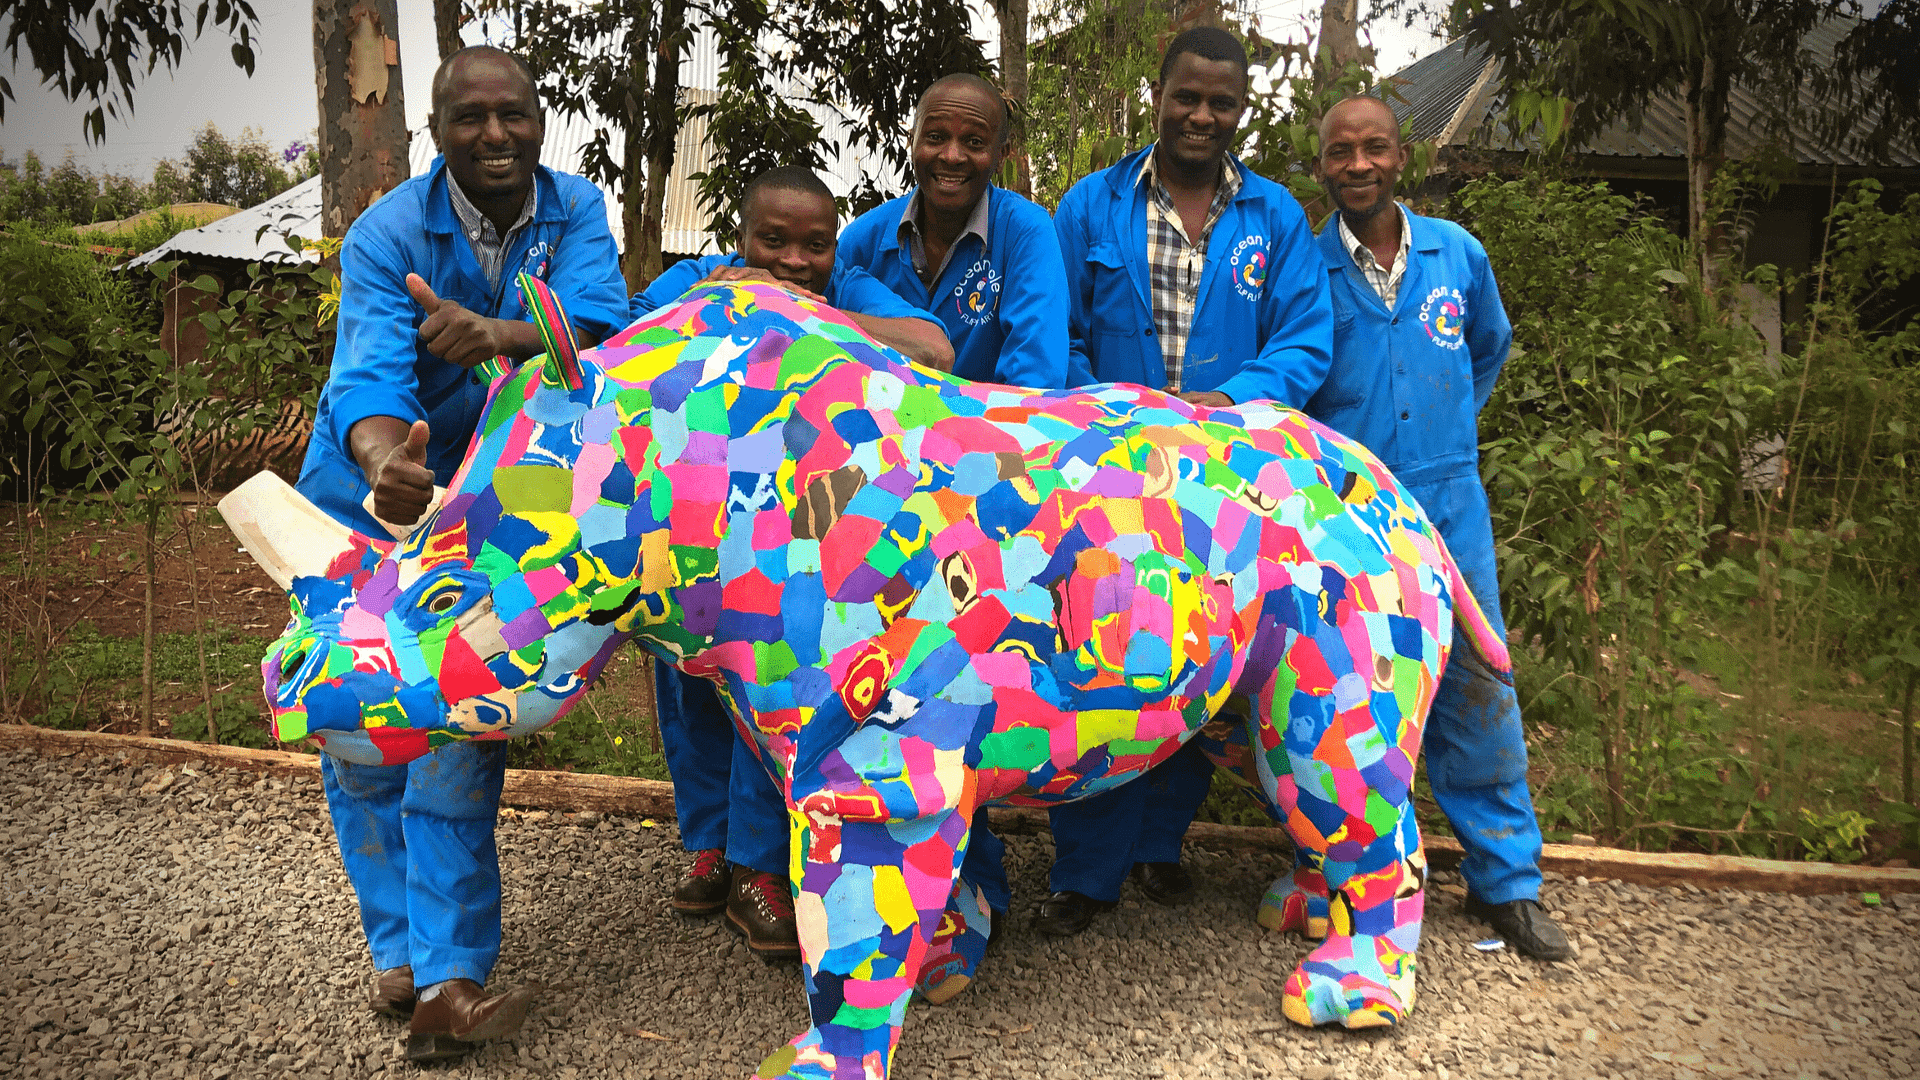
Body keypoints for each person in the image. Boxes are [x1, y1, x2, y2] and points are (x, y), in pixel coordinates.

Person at [292, 45, 629, 1062]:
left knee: (454, 724)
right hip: (363, 500)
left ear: (539, 120)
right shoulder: (389, 231)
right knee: (357, 727)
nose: (495, 135)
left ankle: (449, 975)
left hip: (488, 514)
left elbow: (602, 326)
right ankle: (398, 954)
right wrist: (390, 465)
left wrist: (496, 332)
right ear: (435, 132)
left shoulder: (576, 213)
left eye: (512, 115)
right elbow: (368, 380)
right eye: (469, 118)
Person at [1042, 25, 1335, 936]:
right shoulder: (1091, 206)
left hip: (1224, 484)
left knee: (1202, 655)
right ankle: (1087, 873)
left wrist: (1226, 403)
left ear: (1240, 110)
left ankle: (1159, 846)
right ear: (1157, 95)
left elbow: (1304, 340)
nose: (1202, 116)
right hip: (1109, 480)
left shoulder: (1275, 217)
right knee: (1095, 651)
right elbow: (1061, 337)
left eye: (1222, 102)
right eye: (1187, 97)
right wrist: (1121, 407)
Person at [633, 165, 954, 960]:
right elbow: (623, 338)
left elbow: (934, 347)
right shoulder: (702, 280)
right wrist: (728, 301)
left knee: (766, 687)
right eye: (771, 242)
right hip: (689, 523)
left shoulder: (848, 291)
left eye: (814, 245)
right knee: (688, 688)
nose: (792, 260)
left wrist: (806, 314)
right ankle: (708, 845)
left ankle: (755, 863)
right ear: (737, 239)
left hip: (793, 539)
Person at [1281, 93, 1571, 961]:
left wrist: (1441, 442)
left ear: (1401, 157)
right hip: (1349, 515)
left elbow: (1486, 348)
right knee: (1348, 693)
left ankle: (1507, 885)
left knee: (1477, 681)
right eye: (1340, 153)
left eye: (1374, 149)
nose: (1358, 166)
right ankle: (1349, 878)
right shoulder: (1308, 267)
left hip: (1448, 502)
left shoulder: (1458, 254)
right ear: (1322, 164)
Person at [835, 73, 1070, 390]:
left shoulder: (1026, 234)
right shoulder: (865, 241)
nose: (952, 156)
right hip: (882, 431)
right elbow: (821, 335)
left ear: (1002, 155)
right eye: (935, 137)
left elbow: (1034, 383)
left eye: (974, 142)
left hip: (992, 433)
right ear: (911, 141)